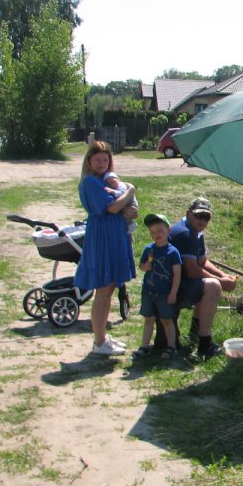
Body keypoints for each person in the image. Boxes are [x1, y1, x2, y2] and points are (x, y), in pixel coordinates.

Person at [74, 141, 137, 356]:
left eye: (105, 159)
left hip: (115, 235)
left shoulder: (106, 181)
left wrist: (125, 202)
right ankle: (99, 342)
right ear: (89, 162)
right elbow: (112, 208)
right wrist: (130, 191)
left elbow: (130, 211)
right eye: (97, 159)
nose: (102, 163)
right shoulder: (91, 182)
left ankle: (101, 337)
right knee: (103, 291)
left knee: (109, 289)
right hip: (102, 238)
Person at [168, 197, 239, 359]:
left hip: (181, 283)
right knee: (213, 287)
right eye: (199, 215)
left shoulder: (196, 232)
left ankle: (195, 332)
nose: (202, 220)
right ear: (188, 213)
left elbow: (202, 261)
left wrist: (222, 274)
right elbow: (193, 271)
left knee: (211, 282)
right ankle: (205, 344)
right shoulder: (184, 234)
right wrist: (221, 282)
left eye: (206, 217)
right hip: (171, 288)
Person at [133, 214, 181, 360]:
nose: (157, 234)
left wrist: (173, 293)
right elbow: (141, 265)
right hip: (148, 291)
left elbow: (177, 275)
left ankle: (171, 346)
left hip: (164, 293)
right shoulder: (149, 249)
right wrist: (144, 266)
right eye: (153, 232)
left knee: (167, 320)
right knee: (148, 319)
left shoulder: (173, 252)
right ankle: (144, 346)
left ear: (168, 230)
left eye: (160, 230)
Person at [103, 171, 139, 236]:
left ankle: (131, 224)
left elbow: (123, 194)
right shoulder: (115, 187)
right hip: (125, 204)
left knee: (126, 215)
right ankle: (129, 225)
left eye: (113, 182)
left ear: (118, 180)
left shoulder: (122, 185)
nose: (111, 184)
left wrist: (114, 192)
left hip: (131, 203)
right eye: (109, 183)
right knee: (123, 215)